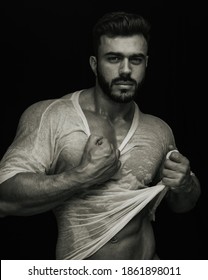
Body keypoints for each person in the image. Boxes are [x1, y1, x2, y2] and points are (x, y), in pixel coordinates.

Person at [0, 11, 201, 260]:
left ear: (146, 64)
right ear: (95, 64)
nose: (126, 70)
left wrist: (186, 184)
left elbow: (182, 204)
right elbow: (4, 198)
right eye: (114, 58)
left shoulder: (159, 129)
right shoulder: (52, 116)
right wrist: (82, 176)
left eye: (135, 60)